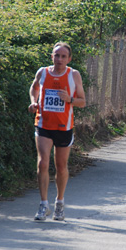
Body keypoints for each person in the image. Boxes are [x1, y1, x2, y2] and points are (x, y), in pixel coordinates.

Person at [29, 42, 86, 221]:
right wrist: (33, 101)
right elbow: (34, 88)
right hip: (44, 123)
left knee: (61, 167)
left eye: (63, 56)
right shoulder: (43, 72)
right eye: (56, 55)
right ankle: (43, 204)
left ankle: (59, 202)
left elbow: (82, 101)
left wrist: (69, 99)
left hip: (64, 126)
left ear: (69, 59)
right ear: (51, 56)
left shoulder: (73, 75)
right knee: (42, 163)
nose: (59, 59)